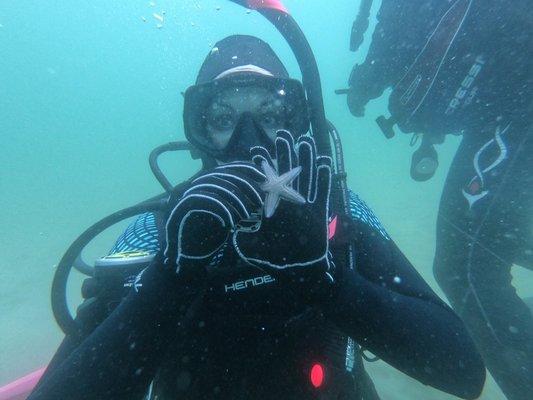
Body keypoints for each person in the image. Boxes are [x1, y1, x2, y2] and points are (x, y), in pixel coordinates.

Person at [29, 34, 485, 400]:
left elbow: (464, 372)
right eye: (224, 118)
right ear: (200, 131)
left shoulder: (335, 209)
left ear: (295, 120)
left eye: (270, 115)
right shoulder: (159, 228)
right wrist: (172, 278)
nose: (249, 141)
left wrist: (324, 281)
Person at [344, 1, 533, 399]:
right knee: (494, 243)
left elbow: (398, 39)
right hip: (507, 107)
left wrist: (364, 83)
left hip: (517, 106)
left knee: (464, 269)